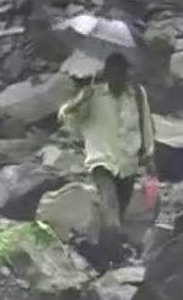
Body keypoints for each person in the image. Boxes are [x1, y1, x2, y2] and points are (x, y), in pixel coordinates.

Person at [58, 52, 156, 265]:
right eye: (113, 73)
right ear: (106, 73)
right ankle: (118, 258)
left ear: (126, 73)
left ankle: (105, 258)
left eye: (121, 73)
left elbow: (145, 125)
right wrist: (78, 103)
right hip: (101, 160)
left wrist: (149, 156)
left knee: (118, 212)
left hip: (128, 161)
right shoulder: (92, 95)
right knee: (109, 204)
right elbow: (67, 119)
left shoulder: (137, 95)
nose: (117, 78)